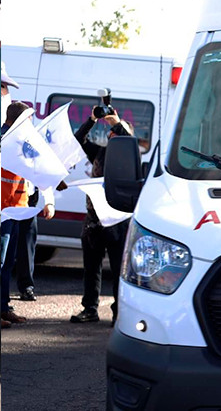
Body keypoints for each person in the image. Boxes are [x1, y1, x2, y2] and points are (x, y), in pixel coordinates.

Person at [69, 106, 133, 325]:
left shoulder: (130, 156)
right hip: (94, 221)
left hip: (118, 221)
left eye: (115, 133)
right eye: (111, 133)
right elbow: (79, 138)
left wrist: (115, 121)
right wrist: (92, 119)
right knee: (91, 267)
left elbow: (125, 135)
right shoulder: (100, 152)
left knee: (118, 271)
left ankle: (119, 312)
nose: (111, 136)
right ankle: (90, 309)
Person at [2, 102, 38, 328]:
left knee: (7, 264)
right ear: (17, 120)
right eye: (28, 121)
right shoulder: (4, 140)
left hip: (15, 210)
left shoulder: (17, 141)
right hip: (3, 211)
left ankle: (3, 308)